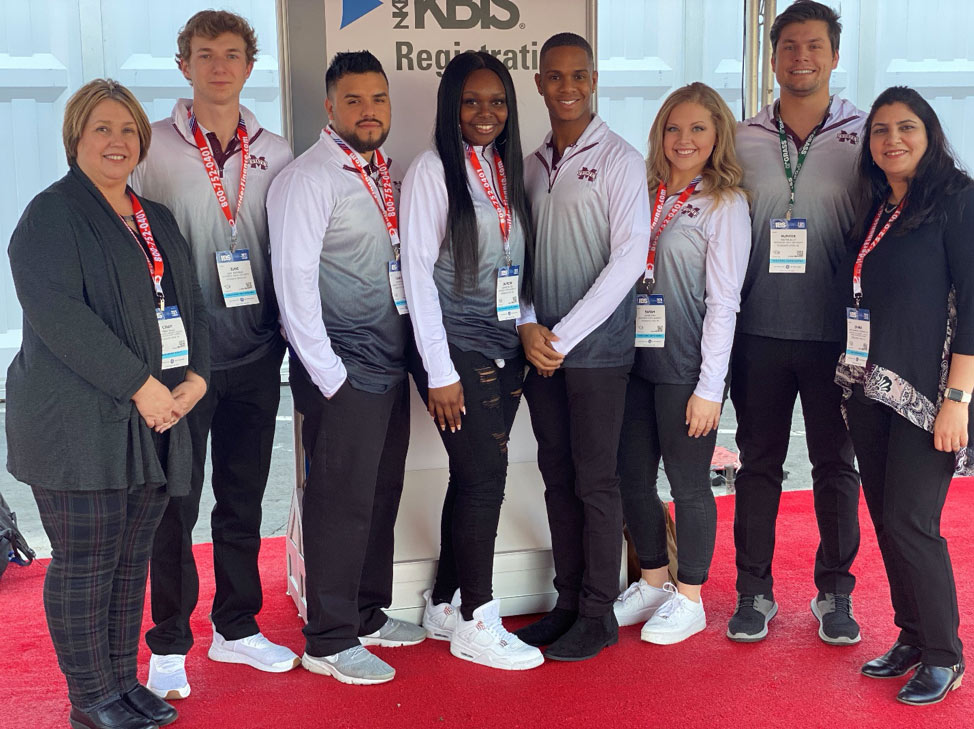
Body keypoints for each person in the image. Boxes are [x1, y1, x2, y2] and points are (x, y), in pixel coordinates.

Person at [7, 79, 209, 729]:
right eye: (101, 127)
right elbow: (62, 319)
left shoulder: (155, 218)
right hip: (76, 424)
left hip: (152, 420)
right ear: (75, 139)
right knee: (88, 558)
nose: (116, 140)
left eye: (127, 129)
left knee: (130, 556)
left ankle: (123, 683)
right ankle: (90, 696)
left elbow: (188, 303)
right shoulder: (51, 214)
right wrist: (143, 385)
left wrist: (195, 377)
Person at [130, 11, 297, 699]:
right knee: (175, 503)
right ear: (184, 65)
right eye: (205, 55)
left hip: (256, 354)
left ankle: (236, 625)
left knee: (242, 499)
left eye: (232, 54)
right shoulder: (152, 147)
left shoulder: (277, 151)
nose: (219, 66)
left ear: (251, 66)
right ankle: (169, 641)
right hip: (180, 366)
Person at [267, 51, 425, 686]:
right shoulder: (310, 178)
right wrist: (329, 375)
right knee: (339, 503)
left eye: (377, 100)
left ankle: (365, 611)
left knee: (379, 495)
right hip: (340, 370)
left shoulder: (382, 171)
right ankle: (329, 639)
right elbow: (293, 283)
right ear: (329, 107)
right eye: (353, 100)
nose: (368, 111)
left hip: (388, 365)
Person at [400, 51, 543, 671]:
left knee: (472, 473)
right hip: (453, 345)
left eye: (497, 101)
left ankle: (443, 604)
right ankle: (479, 618)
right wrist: (441, 371)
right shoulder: (434, 170)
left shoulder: (507, 170)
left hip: (507, 341)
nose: (486, 113)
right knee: (485, 476)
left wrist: (529, 321)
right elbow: (416, 278)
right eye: (471, 101)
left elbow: (519, 266)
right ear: (450, 106)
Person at [729, 0, 864, 644]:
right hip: (756, 332)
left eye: (815, 45)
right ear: (773, 56)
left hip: (838, 337)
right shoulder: (742, 136)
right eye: (789, 46)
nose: (801, 57)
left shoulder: (868, 135)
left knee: (837, 467)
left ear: (835, 55)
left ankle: (835, 594)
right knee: (758, 465)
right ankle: (753, 592)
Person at [514, 32, 652, 661]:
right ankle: (568, 600)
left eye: (578, 75)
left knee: (597, 482)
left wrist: (564, 335)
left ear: (593, 81)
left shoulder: (619, 158)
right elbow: (515, 256)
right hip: (541, 349)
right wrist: (526, 322)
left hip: (595, 354)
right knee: (556, 475)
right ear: (539, 83)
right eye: (554, 76)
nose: (566, 87)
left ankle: (598, 612)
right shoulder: (532, 162)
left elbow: (628, 260)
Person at [835, 86, 970, 705]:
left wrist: (958, 400)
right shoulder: (880, 206)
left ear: (930, 134)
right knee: (888, 520)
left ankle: (946, 654)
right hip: (868, 388)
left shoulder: (959, 202)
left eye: (906, 127)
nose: (892, 139)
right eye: (881, 130)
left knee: (914, 522)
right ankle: (913, 636)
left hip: (929, 395)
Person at [612, 83, 750, 645]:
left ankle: (690, 597)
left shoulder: (724, 202)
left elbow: (725, 301)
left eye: (697, 128)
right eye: (673, 128)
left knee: (689, 485)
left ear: (717, 134)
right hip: (630, 362)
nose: (684, 139)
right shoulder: (642, 191)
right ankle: (652, 580)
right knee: (631, 479)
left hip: (686, 367)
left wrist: (709, 387)